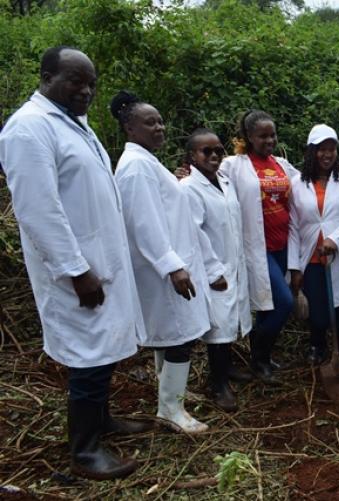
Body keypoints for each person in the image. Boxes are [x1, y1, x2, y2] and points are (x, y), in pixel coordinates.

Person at [0, 46, 146, 479]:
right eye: (75, 81)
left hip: (100, 260)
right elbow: (38, 211)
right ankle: (84, 451)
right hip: (76, 269)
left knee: (104, 349)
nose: (86, 90)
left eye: (91, 84)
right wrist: (76, 271)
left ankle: (102, 421)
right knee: (89, 355)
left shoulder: (73, 124)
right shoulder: (28, 130)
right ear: (46, 77)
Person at [111, 91, 216, 434]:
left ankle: (168, 396)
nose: (159, 127)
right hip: (163, 269)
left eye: (160, 121)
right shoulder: (137, 167)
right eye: (149, 122)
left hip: (167, 264)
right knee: (179, 338)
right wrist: (172, 265)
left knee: (171, 335)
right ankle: (172, 409)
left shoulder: (145, 162)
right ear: (129, 128)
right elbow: (144, 222)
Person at [219, 110, 297, 383]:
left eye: (272, 134)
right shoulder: (234, 165)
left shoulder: (281, 165)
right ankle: (259, 356)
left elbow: (306, 182)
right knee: (284, 303)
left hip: (283, 245)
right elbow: (207, 179)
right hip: (257, 246)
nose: (269, 140)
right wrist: (184, 172)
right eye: (263, 135)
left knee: (269, 305)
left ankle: (261, 358)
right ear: (249, 137)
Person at [180, 128, 252, 412]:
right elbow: (194, 234)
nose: (213, 156)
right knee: (217, 328)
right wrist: (212, 271)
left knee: (229, 322)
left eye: (218, 151)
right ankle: (218, 384)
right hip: (214, 267)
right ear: (191, 156)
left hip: (233, 263)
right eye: (206, 151)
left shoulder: (224, 180)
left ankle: (228, 368)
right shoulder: (189, 188)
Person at [288, 124, 339, 364]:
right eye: (322, 149)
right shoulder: (297, 184)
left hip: (338, 257)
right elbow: (293, 227)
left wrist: (335, 239)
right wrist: (294, 267)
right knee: (319, 314)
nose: (327, 154)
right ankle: (317, 345)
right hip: (311, 258)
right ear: (312, 151)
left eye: (331, 149)